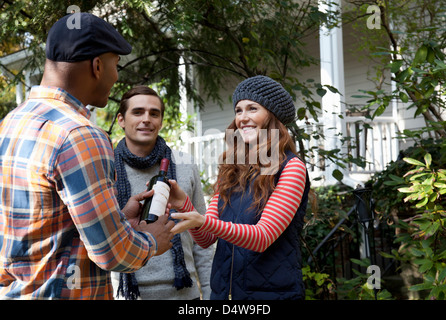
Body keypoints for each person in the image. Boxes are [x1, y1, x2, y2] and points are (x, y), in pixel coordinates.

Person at [0, 13, 174, 300]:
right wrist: (152, 241)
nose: (116, 77)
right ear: (96, 66)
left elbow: (46, 225)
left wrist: (117, 220)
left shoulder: (11, 123)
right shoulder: (80, 135)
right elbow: (112, 253)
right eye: (115, 66)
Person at [169, 75, 310, 300]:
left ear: (273, 116)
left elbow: (263, 237)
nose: (242, 118)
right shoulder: (231, 171)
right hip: (223, 296)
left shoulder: (291, 168)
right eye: (238, 110)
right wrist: (183, 203)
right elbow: (205, 239)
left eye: (252, 108)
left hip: (271, 296)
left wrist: (203, 221)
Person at [110, 85, 213, 300]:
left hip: (184, 295)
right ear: (121, 119)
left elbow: (201, 241)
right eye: (137, 112)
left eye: (154, 113)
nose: (146, 119)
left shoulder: (185, 165)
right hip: (127, 295)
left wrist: (212, 294)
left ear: (161, 121)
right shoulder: (104, 168)